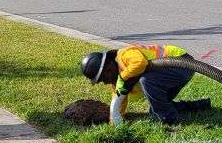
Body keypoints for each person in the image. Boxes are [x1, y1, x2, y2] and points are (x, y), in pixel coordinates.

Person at [80, 44, 210, 124]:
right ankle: (200, 105)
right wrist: (115, 121)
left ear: (108, 67)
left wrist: (123, 77)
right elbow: (120, 99)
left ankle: (167, 120)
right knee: (155, 110)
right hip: (169, 73)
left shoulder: (124, 55)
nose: (104, 82)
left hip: (180, 63)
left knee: (146, 81)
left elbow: (140, 63)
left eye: (102, 79)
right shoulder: (116, 79)